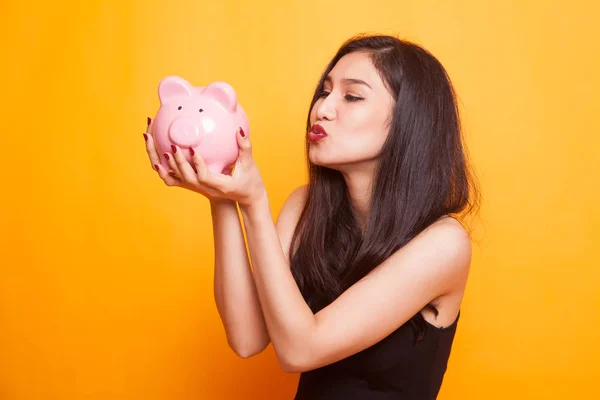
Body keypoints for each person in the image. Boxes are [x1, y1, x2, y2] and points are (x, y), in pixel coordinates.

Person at [143, 33, 481, 399]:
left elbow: (300, 350)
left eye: (352, 96)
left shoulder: (444, 243)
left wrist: (255, 202)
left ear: (409, 122)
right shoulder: (305, 207)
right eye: (324, 91)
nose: (322, 108)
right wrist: (222, 193)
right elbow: (246, 338)